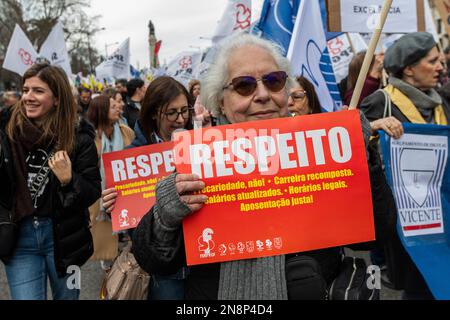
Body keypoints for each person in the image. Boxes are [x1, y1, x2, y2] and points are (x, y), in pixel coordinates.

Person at [128, 34, 395, 300]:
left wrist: (361, 159)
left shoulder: (320, 150)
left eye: (274, 81)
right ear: (221, 101)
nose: (263, 95)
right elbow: (154, 260)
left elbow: (373, 237)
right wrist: (166, 214)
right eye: (244, 86)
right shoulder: (200, 163)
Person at [0, 63, 101, 300]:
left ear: (56, 98)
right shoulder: (5, 130)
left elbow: (92, 190)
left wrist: (69, 179)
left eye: (38, 91)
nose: (28, 97)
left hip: (66, 239)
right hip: (19, 239)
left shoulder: (79, 136)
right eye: (25, 90)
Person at [361, 32, 447, 300]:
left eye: (441, 60)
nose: (441, 67)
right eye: (432, 61)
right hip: (408, 222)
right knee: (420, 287)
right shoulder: (381, 101)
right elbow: (350, 143)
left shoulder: (441, 101)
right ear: (409, 69)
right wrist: (372, 127)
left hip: (443, 214)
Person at [101, 76, 194, 300]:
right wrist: (112, 204)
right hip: (164, 265)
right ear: (154, 112)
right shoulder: (134, 156)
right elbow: (130, 220)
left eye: (185, 110)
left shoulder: (200, 143)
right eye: (171, 112)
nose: (181, 119)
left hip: (203, 260)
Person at [86, 95, 135, 269]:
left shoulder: (125, 131)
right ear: (101, 111)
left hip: (127, 194)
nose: (118, 108)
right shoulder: (90, 137)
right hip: (101, 198)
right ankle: (109, 274)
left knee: (129, 240)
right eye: (113, 106)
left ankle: (126, 274)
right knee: (106, 244)